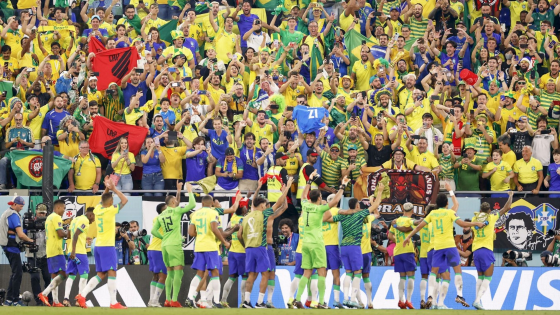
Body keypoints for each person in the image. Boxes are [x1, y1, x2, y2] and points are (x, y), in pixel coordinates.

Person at [403, 188, 485, 309]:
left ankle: (430, 296)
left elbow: (418, 227)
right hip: (450, 246)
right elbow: (462, 223)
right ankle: (459, 295)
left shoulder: (432, 214)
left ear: (437, 204)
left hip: (437, 248)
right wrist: (475, 223)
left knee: (433, 272)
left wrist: (408, 237)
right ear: (447, 203)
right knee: (457, 270)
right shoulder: (450, 212)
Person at [290, 172, 351, 309]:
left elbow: (304, 195)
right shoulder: (319, 209)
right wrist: (342, 186)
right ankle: (322, 302)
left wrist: (309, 181)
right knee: (322, 272)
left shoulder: (305, 205)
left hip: (305, 243)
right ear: (319, 198)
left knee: (306, 273)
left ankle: (298, 299)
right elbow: (334, 202)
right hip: (317, 243)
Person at [237, 178, 293, 308]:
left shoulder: (246, 217)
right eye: (266, 204)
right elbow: (280, 203)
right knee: (266, 273)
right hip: (262, 247)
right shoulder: (264, 215)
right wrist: (287, 187)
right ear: (263, 206)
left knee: (252, 274)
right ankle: (261, 302)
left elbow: (239, 234)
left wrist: (245, 245)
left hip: (249, 248)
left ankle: (246, 301)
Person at [76, 176, 129, 309]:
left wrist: (107, 186)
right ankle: (113, 302)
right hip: (107, 246)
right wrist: (114, 188)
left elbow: (102, 199)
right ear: (111, 202)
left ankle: (82, 295)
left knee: (101, 274)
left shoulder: (98, 209)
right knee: (112, 272)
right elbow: (125, 200)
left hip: (98, 245)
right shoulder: (110, 210)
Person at [152, 182, 195, 307]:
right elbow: (192, 204)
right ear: (172, 203)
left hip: (164, 245)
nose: (177, 201)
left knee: (170, 272)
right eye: (176, 200)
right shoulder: (176, 211)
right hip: (175, 245)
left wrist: (164, 236)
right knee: (178, 272)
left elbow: (154, 231)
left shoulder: (161, 215)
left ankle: (167, 300)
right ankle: (174, 300)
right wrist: (189, 191)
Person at [471, 192, 514, 310]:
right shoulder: (491, 217)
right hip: (486, 250)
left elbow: (472, 232)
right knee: (488, 277)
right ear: (489, 210)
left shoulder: (474, 219)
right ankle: (477, 300)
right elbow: (506, 208)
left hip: (476, 251)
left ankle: (477, 300)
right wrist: (510, 195)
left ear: (480, 210)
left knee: (480, 277)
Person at [0, 196, 34, 306]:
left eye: (23, 205)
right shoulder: (13, 214)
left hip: (8, 246)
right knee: (18, 273)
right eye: (20, 205)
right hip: (11, 247)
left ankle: (9, 299)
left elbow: (15, 232)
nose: (21, 207)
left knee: (15, 273)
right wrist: (30, 240)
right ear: (14, 204)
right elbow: (20, 234)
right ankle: (14, 300)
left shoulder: (8, 212)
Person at [37, 200, 68, 307]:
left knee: (54, 275)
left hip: (50, 250)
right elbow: (60, 233)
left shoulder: (49, 218)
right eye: (63, 208)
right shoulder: (56, 217)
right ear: (58, 207)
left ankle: (55, 301)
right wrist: (68, 233)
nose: (64, 210)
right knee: (64, 274)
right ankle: (44, 293)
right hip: (56, 250)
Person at [63, 207, 96, 307]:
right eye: (94, 217)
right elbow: (76, 234)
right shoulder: (85, 220)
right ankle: (80, 300)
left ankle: (66, 298)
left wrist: (84, 239)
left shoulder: (76, 219)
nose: (94, 220)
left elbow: (69, 235)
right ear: (90, 215)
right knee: (84, 275)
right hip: (79, 252)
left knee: (72, 275)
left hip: (70, 251)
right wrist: (74, 251)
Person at [389, 202, 416, 309]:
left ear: (403, 210)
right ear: (412, 211)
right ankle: (408, 300)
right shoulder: (410, 221)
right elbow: (407, 229)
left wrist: (399, 241)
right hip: (408, 250)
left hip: (398, 251)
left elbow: (390, 235)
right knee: (411, 276)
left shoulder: (397, 220)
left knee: (402, 277)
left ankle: (401, 300)